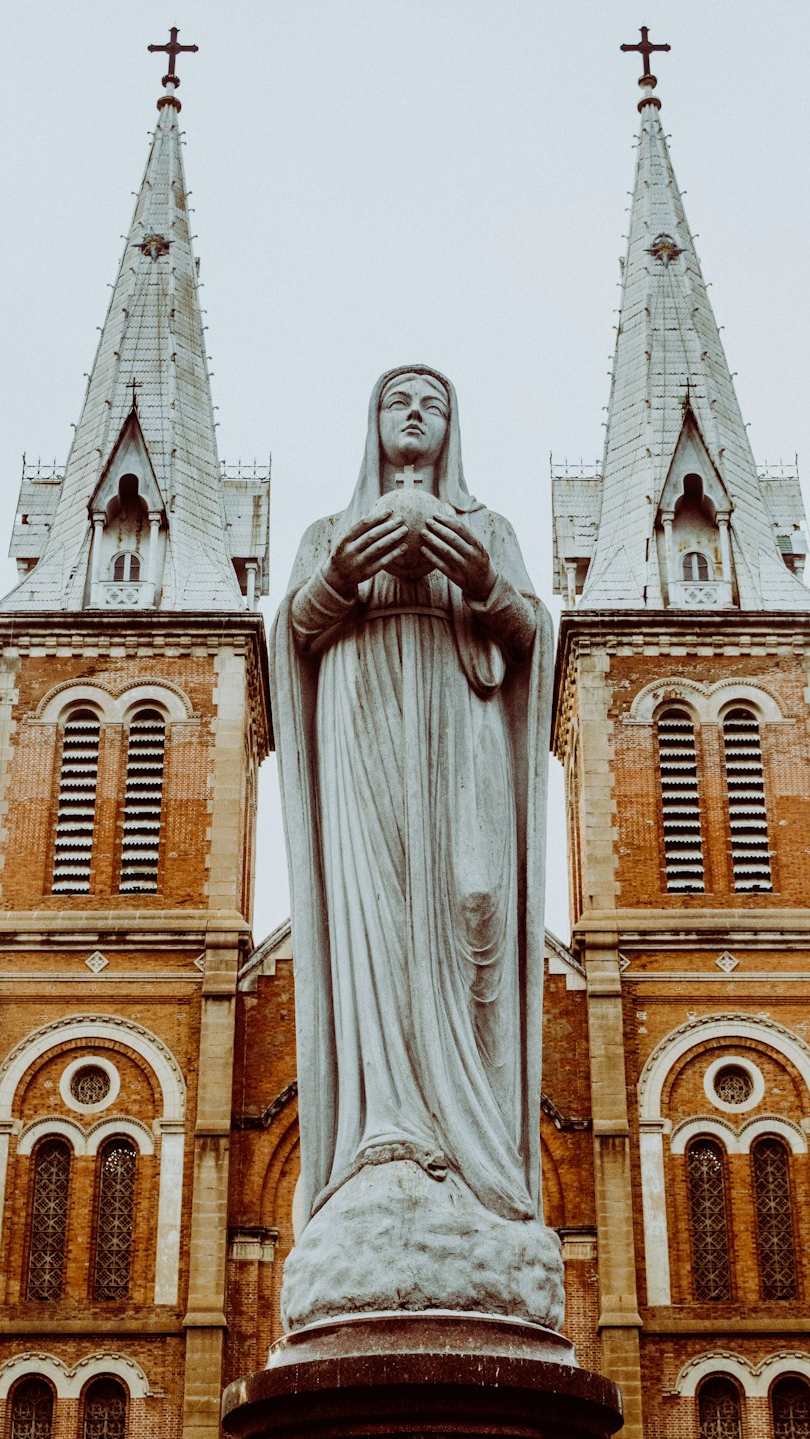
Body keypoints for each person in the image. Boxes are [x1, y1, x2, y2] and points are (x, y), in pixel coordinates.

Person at [271, 365, 552, 1240]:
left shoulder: (489, 526)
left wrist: (485, 584)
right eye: (400, 400)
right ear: (374, 422)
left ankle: (477, 1157)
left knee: (476, 903)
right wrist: (340, 579)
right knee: (379, 925)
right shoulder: (330, 529)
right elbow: (291, 636)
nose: (417, 414)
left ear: (452, 426)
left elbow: (534, 636)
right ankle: (385, 1135)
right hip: (364, 729)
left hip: (461, 726)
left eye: (434, 402)